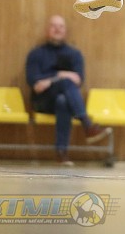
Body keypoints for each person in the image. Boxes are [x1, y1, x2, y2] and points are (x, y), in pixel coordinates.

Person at [25, 15, 112, 165]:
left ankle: (61, 153)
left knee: (63, 101)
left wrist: (49, 79)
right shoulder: (36, 54)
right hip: (42, 101)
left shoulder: (74, 54)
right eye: (53, 26)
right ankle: (87, 124)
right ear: (47, 30)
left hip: (66, 100)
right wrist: (60, 75)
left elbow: (78, 80)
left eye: (61, 26)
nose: (57, 29)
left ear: (65, 31)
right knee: (65, 82)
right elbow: (34, 82)